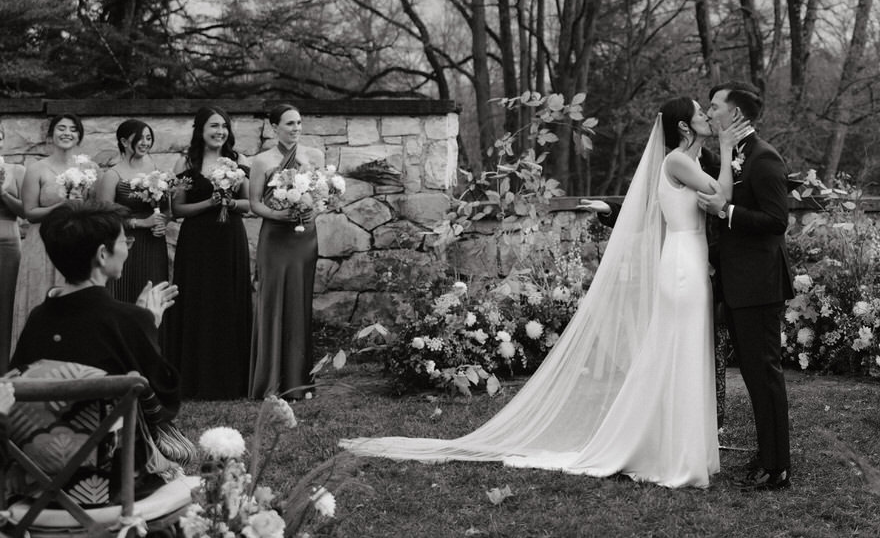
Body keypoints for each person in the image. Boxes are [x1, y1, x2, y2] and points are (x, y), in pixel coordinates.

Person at [342, 98, 746, 490]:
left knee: (685, 351)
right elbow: (722, 196)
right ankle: (667, 451)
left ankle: (678, 446)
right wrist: (727, 150)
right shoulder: (677, 160)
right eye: (699, 113)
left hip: (691, 260)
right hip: (681, 266)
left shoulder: (690, 160)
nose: (707, 117)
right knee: (676, 350)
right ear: (682, 125)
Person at [9, 200, 185, 498]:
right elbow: (165, 401)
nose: (128, 248)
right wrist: (148, 326)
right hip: (118, 481)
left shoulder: (39, 318)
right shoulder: (130, 321)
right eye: (123, 241)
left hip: (37, 481)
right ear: (103, 255)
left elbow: (18, 388)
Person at [698, 80, 793, 489]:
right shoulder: (731, 156)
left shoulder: (764, 158)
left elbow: (777, 222)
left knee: (764, 375)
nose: (710, 112)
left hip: (759, 287)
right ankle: (766, 454)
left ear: (735, 114)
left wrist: (728, 210)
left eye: (715, 107)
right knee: (754, 377)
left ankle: (778, 467)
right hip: (738, 286)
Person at [165, 107, 253, 399]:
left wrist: (228, 201)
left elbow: (248, 204)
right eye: (214, 126)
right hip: (197, 243)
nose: (220, 131)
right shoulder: (187, 161)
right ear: (200, 129)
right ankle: (194, 379)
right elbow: (176, 210)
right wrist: (209, 203)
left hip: (230, 240)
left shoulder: (238, 160)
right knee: (197, 301)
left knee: (229, 301)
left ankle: (232, 380)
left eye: (224, 126)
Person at [247, 103, 324, 400]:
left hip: (305, 239)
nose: (296, 128)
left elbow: (320, 196)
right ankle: (270, 380)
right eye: (289, 123)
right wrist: (279, 215)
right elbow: (255, 203)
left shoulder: (313, 156)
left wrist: (311, 214)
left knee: (299, 302)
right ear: (273, 127)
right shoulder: (262, 161)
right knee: (272, 302)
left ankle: (298, 380)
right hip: (276, 237)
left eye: (299, 122)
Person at [12, 114, 91, 351]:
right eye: (61, 128)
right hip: (42, 243)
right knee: (40, 298)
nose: (67, 133)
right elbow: (29, 212)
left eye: (73, 129)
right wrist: (60, 206)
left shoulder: (88, 169)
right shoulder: (37, 169)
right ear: (51, 135)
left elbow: (92, 208)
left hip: (77, 243)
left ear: (79, 135)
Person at [96, 119, 171, 305]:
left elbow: (168, 210)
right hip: (126, 245)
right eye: (139, 138)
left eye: (148, 138)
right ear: (123, 142)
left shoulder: (157, 173)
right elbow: (104, 219)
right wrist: (141, 223)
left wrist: (162, 222)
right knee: (126, 295)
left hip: (154, 246)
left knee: (153, 295)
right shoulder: (112, 176)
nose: (145, 143)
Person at [0, 127, 23, 371]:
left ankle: (4, 370)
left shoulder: (17, 170)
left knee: (6, 305)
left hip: (8, 241)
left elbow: (25, 211)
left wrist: (2, 194)